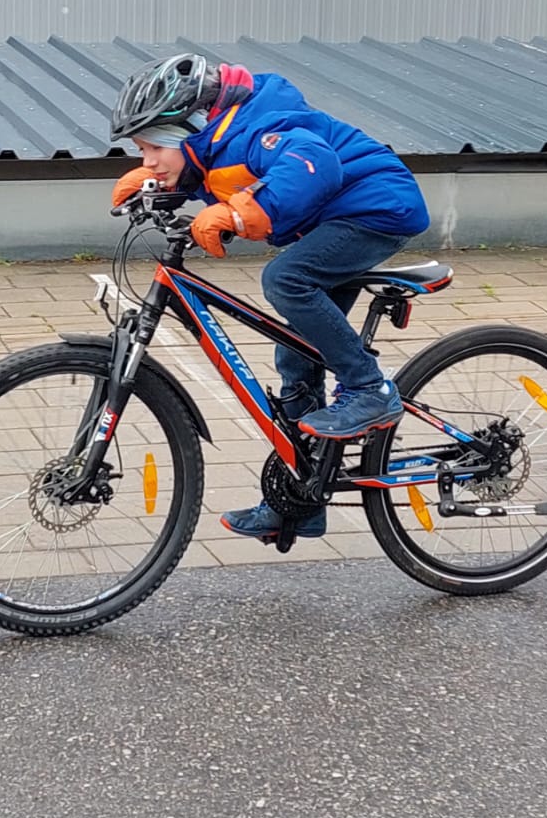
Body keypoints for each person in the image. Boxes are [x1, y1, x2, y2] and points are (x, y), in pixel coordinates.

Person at [108, 53, 431, 542]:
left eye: (154, 147)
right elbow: (218, 172)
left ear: (191, 129)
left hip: (377, 209)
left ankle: (370, 390)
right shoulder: (214, 143)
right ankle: (300, 502)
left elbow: (312, 166)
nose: (147, 160)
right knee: (294, 354)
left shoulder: (261, 127)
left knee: (285, 280)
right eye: (141, 150)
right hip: (329, 220)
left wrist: (239, 214)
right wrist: (163, 185)